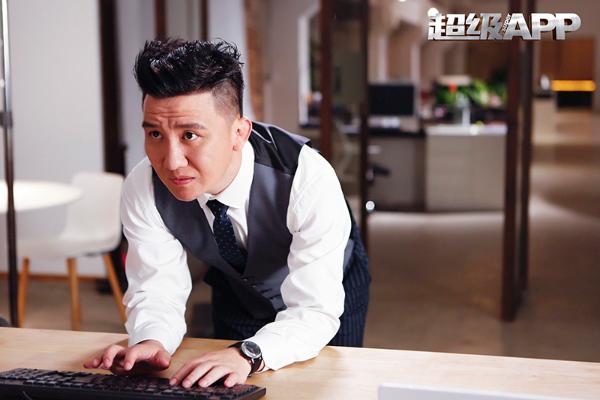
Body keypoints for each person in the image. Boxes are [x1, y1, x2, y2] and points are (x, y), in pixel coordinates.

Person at [84, 39, 370, 388]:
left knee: (323, 387)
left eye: (190, 135)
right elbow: (155, 286)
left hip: (326, 290)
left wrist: (248, 354)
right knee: (228, 387)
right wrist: (151, 340)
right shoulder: (144, 186)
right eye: (155, 133)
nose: (171, 161)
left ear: (239, 133)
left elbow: (314, 309)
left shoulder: (307, 178)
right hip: (238, 289)